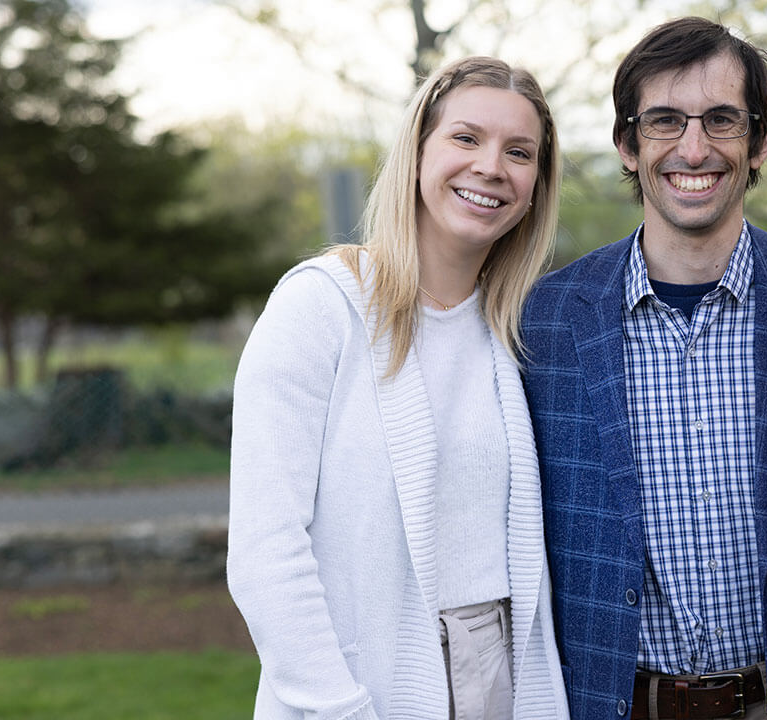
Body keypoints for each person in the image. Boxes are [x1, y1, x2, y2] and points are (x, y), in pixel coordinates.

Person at [520, 17, 767, 720]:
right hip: (612, 704)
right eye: (664, 121)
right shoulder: (545, 320)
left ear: (760, 141)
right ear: (628, 146)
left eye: (722, 119)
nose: (694, 148)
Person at [227, 56, 569, 720]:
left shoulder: (517, 332)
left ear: (536, 184)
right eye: (466, 138)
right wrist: (338, 708)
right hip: (361, 692)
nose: (492, 167)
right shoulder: (321, 308)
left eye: (519, 152)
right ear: (418, 152)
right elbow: (267, 549)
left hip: (502, 683)